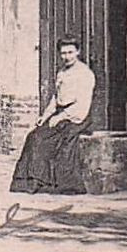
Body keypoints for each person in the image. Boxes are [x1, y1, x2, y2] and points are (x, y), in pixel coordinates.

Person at [10, 36, 96, 194]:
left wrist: (60, 117)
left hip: (77, 116)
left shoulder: (85, 74)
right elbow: (56, 98)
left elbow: (82, 105)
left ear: (78, 52)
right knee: (34, 136)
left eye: (70, 52)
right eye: (63, 53)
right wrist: (46, 115)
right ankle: (31, 181)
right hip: (61, 113)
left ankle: (48, 182)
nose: (67, 57)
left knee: (50, 139)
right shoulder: (62, 73)